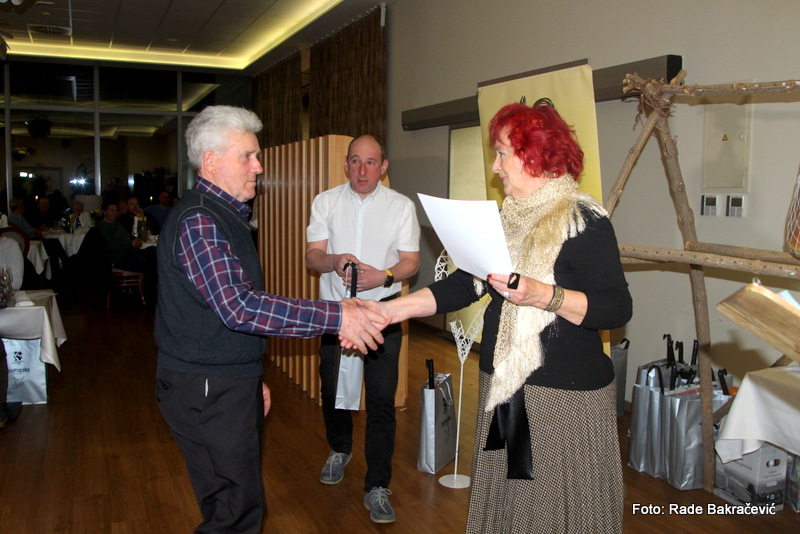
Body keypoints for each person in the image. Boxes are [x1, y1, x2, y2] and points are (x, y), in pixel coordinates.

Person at [364, 101, 633, 533]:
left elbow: (617, 308)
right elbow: (462, 286)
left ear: (534, 154)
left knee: (551, 511)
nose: (495, 166)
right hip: (505, 386)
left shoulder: (584, 220)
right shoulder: (508, 220)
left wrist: (544, 295)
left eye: (502, 153)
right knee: (511, 502)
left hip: (563, 397)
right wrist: (385, 311)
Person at [154, 105, 387, 534]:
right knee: (236, 513)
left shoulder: (221, 214)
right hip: (206, 388)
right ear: (211, 162)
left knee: (231, 509)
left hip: (221, 383)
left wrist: (248, 378)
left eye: (256, 155)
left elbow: (223, 317)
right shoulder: (201, 221)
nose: (258, 166)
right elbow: (240, 307)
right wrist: (337, 315)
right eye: (247, 156)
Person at [305, 135, 420, 524]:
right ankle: (340, 448)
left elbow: (411, 262)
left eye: (371, 162)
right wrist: (334, 260)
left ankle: (378, 485)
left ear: (383, 167)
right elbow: (313, 256)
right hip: (336, 314)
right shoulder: (325, 201)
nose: (362, 170)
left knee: (382, 400)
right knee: (331, 387)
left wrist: (383, 275)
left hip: (383, 315)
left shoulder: (401, 206)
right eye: (355, 161)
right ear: (346, 164)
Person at [95, 199, 156, 276]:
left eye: (116, 211)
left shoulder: (118, 224)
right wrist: (130, 244)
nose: (114, 213)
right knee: (144, 261)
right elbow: (109, 244)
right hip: (120, 257)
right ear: (104, 211)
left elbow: (128, 235)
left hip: (131, 252)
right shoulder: (101, 227)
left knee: (153, 251)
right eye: (112, 210)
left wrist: (136, 240)